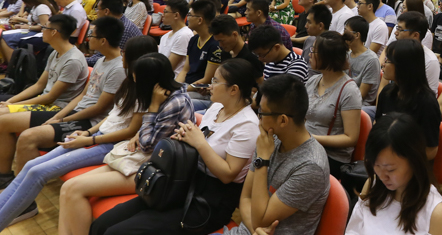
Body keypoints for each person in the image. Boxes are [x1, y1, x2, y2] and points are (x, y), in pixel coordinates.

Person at [0, 36, 157, 228]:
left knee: (38, 171)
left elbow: (129, 131)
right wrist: (88, 133)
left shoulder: (145, 90)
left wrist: (90, 140)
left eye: (125, 52)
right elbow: (113, 116)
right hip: (95, 135)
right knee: (31, 166)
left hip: (107, 144)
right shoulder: (129, 81)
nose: (121, 55)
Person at [90, 59, 258, 235]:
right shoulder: (216, 108)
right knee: (102, 224)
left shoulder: (247, 125)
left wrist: (199, 142)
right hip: (183, 182)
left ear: (233, 89)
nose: (210, 85)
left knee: (118, 232)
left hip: (210, 201)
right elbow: (199, 141)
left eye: (215, 81)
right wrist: (185, 137)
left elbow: (227, 174)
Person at [59, 53, 194, 235]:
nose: (134, 83)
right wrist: (140, 132)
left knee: (75, 190)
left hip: (156, 169)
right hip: (140, 158)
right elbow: (146, 136)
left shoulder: (173, 102)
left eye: (137, 80)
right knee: (68, 187)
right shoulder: (164, 94)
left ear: (150, 81)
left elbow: (148, 145)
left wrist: (152, 110)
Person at [223, 74, 330, 235]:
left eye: (262, 113)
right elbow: (245, 198)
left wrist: (262, 160)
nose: (258, 119)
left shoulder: (311, 166)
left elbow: (261, 220)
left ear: (283, 120)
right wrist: (254, 229)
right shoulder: (269, 139)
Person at [0, 14, 87, 186]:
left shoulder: (73, 60)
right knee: (2, 111)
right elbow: (39, 85)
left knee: (3, 120)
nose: (42, 30)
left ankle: (5, 175)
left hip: (58, 108)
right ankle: (4, 174)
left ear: (54, 32)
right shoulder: (56, 53)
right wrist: (11, 102)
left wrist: (14, 104)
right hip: (46, 102)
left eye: (45, 28)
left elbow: (51, 97)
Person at [346, 113, 442, 235]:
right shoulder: (373, 186)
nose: (382, 176)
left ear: (414, 161)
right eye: (376, 166)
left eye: (390, 170)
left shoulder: (436, 213)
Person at [304, 31, 362, 179]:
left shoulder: (349, 90)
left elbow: (351, 138)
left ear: (326, 56)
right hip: (307, 146)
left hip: (331, 157)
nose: (309, 54)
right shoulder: (313, 81)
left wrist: (310, 137)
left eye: (313, 51)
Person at [375, 41, 441, 161]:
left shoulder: (427, 103)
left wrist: (400, 162)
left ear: (403, 66)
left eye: (388, 61)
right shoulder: (387, 92)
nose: (383, 64)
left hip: (408, 164)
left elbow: (431, 150)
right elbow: (377, 126)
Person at [184, 0, 225, 110]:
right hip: (187, 87)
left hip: (201, 92)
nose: (187, 18)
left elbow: (206, 79)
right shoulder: (193, 39)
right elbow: (185, 70)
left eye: (190, 15)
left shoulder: (215, 45)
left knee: (175, 101)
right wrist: (175, 86)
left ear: (200, 20)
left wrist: (181, 90)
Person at [392, 12, 439, 93]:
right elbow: (385, 83)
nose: (395, 33)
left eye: (400, 29)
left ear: (415, 35)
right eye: (397, 28)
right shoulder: (395, 50)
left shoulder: (430, 61)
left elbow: (429, 95)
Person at [210, 14, 263, 80]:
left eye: (222, 41)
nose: (220, 45)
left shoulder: (252, 57)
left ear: (234, 35)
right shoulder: (225, 53)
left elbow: (259, 84)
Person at [344, 16, 381, 107]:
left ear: (357, 35)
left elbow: (361, 95)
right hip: (344, 99)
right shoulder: (347, 54)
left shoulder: (371, 60)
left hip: (361, 105)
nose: (343, 35)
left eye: (346, 31)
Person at [158, 0, 193, 80]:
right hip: (161, 76)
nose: (162, 15)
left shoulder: (184, 35)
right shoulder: (165, 36)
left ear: (176, 15)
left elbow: (169, 68)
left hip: (172, 80)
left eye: (165, 12)